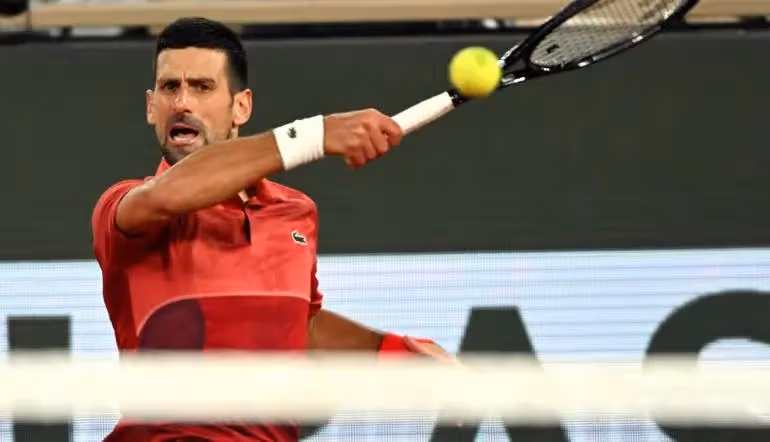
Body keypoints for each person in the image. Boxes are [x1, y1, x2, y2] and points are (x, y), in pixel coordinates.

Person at [91, 16, 453, 442]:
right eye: (170, 87)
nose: (182, 103)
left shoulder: (295, 212)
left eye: (202, 87)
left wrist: (394, 352)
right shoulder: (127, 206)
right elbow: (170, 194)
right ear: (151, 106)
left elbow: (297, 326)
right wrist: (314, 135)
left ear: (241, 107)